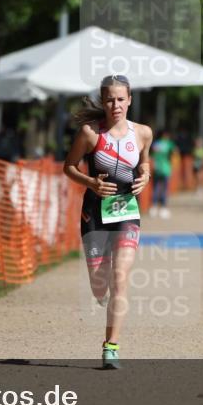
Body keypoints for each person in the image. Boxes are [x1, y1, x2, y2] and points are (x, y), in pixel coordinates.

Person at [63, 74, 151, 369]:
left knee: (120, 278)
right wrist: (91, 182)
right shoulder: (90, 134)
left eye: (121, 99)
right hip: (95, 215)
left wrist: (146, 176)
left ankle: (111, 347)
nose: (116, 105)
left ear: (130, 100)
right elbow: (69, 167)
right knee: (100, 285)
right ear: (103, 101)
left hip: (127, 211)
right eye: (110, 99)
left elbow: (144, 162)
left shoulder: (142, 133)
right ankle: (100, 293)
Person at [150, 129, 176, 219]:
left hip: (157, 168)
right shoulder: (169, 143)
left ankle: (153, 207)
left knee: (156, 188)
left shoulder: (155, 143)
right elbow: (175, 152)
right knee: (164, 189)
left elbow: (152, 155)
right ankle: (163, 208)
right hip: (165, 169)